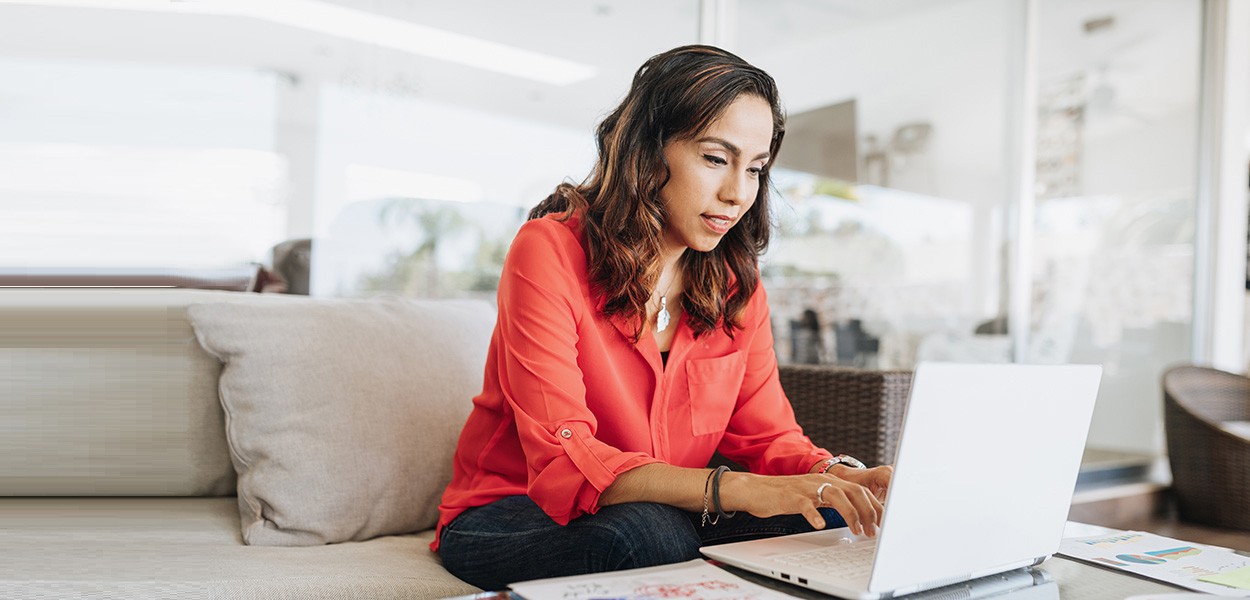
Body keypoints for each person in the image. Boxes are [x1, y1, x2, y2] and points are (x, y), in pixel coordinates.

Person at [432, 45, 893, 591]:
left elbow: (770, 439)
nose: (737, 193)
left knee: (837, 515)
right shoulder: (549, 250)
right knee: (648, 534)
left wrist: (838, 477)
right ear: (649, 151)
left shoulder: (734, 287)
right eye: (715, 159)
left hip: (672, 508)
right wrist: (741, 492)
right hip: (511, 513)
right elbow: (565, 459)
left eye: (756, 168)